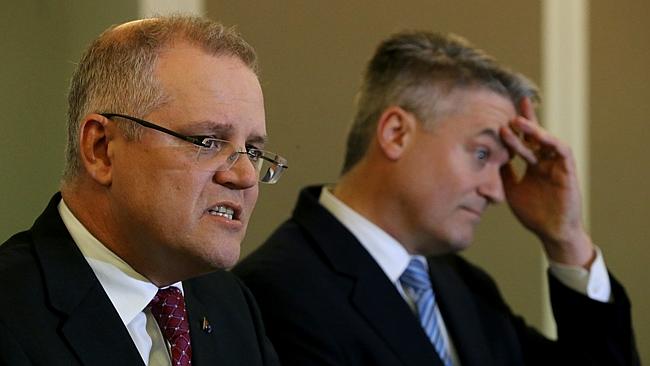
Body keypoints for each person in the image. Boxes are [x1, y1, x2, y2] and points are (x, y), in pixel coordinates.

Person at [234, 31, 639, 365]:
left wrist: (566, 239)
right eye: (482, 154)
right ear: (396, 133)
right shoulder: (276, 292)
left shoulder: (463, 284)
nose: (497, 191)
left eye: (503, 165)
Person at [0, 16, 287, 366]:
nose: (245, 176)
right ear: (102, 149)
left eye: (254, 151)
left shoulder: (231, 306)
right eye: (208, 142)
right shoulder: (11, 314)